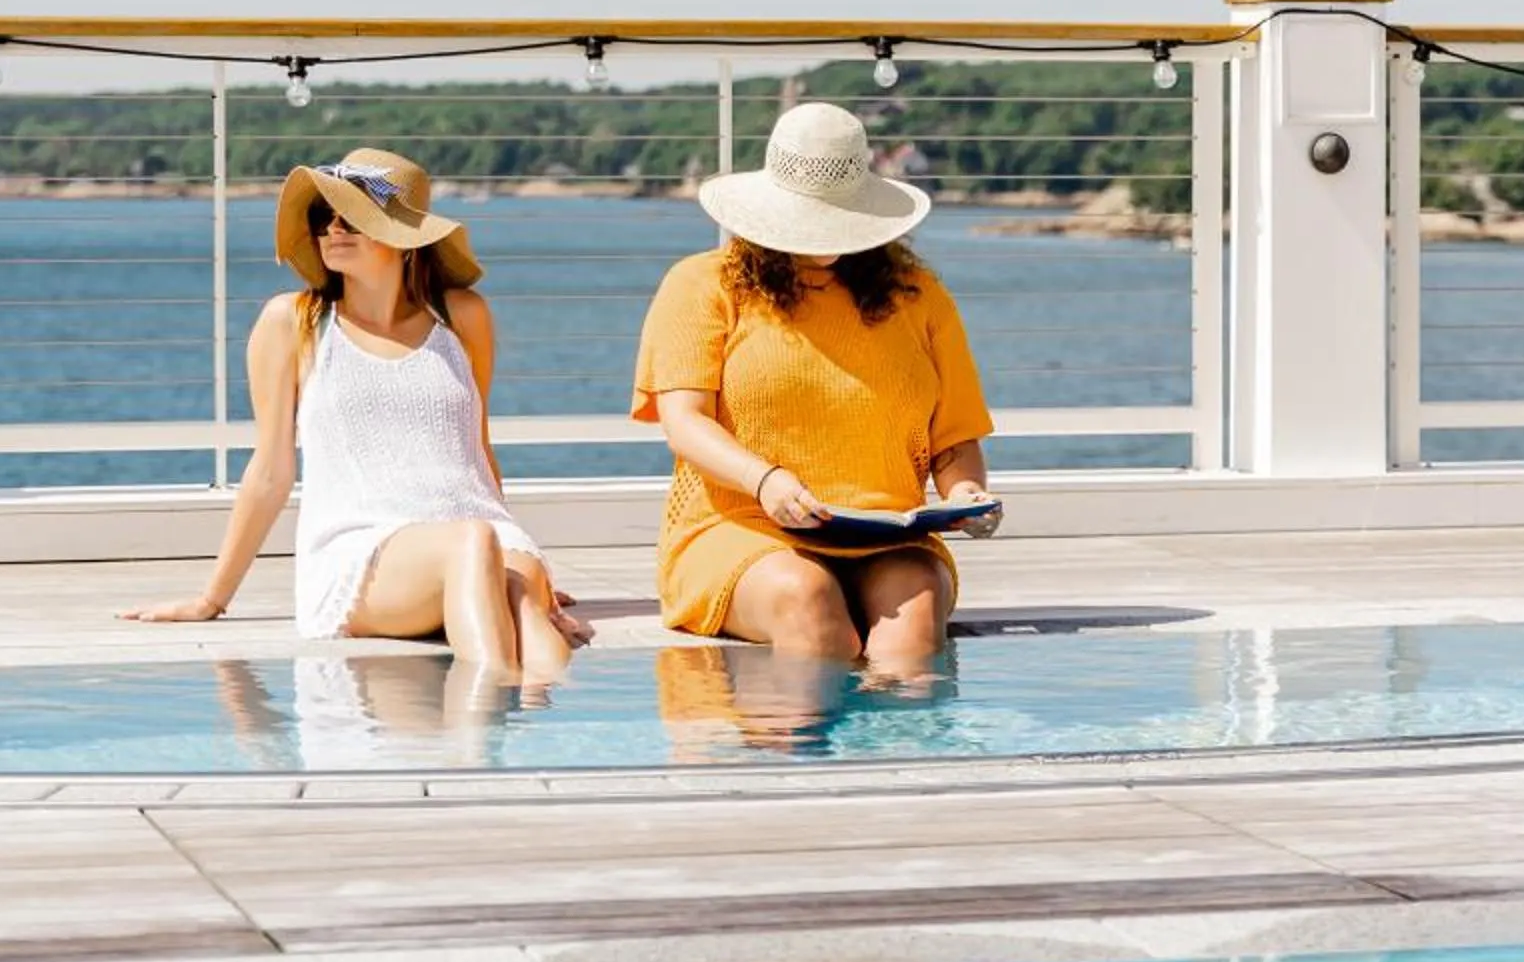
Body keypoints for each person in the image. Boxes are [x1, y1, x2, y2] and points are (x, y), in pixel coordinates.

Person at [125, 147, 588, 681]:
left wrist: (518, 573)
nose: (333, 231)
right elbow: (271, 470)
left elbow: (475, 449)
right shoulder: (291, 322)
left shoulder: (464, 317)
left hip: (484, 533)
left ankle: (546, 737)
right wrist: (212, 598)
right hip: (364, 550)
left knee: (519, 595)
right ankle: (483, 746)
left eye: (354, 218)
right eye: (324, 217)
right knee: (473, 544)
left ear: (404, 239)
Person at [632, 101, 1000, 675]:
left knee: (919, 612)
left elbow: (954, 437)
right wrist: (766, 481)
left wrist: (966, 496)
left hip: (886, 534)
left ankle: (905, 759)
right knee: (807, 598)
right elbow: (684, 421)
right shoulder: (701, 284)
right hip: (740, 526)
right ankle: (807, 759)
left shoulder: (918, 295)